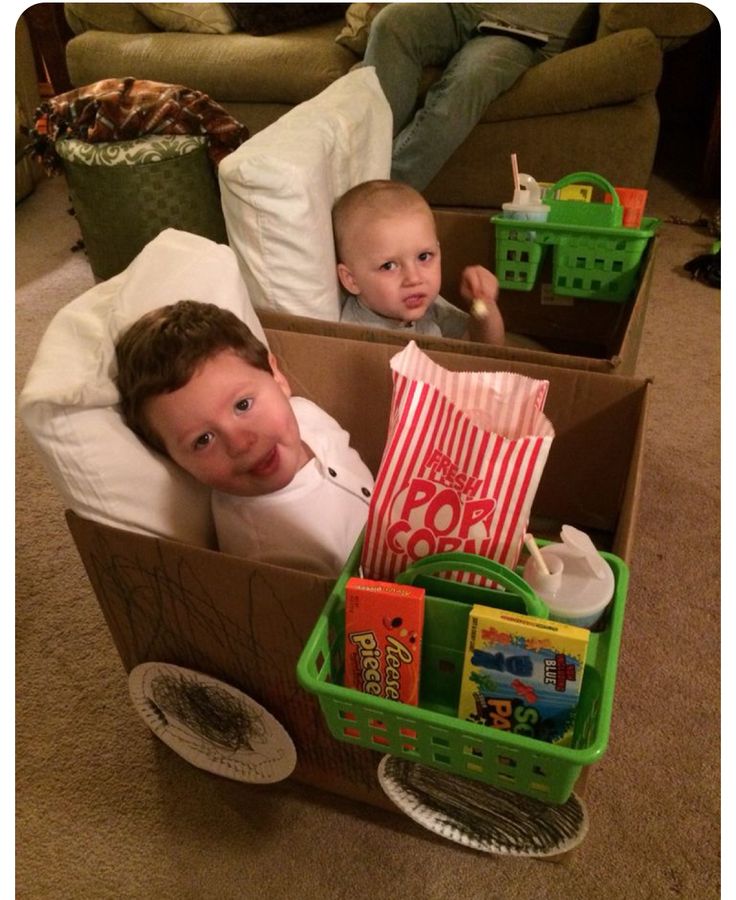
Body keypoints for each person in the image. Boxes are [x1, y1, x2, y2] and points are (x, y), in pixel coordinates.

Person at [115, 300, 374, 576]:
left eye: (243, 405)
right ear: (176, 462)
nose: (240, 443)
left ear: (277, 378)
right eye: (203, 440)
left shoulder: (306, 413)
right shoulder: (271, 554)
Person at [362, 3, 595, 190]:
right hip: (463, 8)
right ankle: (355, 170)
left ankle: (379, 196)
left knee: (472, 77)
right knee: (392, 22)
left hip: (528, 33)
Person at [333, 178, 504, 344]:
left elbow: (485, 348)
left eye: (423, 257)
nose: (414, 278)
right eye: (389, 266)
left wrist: (484, 306)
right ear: (352, 280)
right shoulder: (356, 338)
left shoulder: (428, 303)